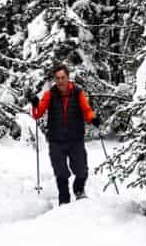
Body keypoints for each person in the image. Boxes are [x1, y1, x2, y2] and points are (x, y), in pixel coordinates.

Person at [28, 64, 100, 204]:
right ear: (55, 80)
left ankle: (79, 190)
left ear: (68, 77)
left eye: (63, 77)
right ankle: (64, 200)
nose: (60, 81)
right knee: (60, 172)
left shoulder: (78, 92)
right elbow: (38, 114)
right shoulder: (50, 94)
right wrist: (35, 105)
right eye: (57, 78)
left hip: (75, 138)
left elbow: (86, 110)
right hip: (56, 140)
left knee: (81, 170)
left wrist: (93, 118)